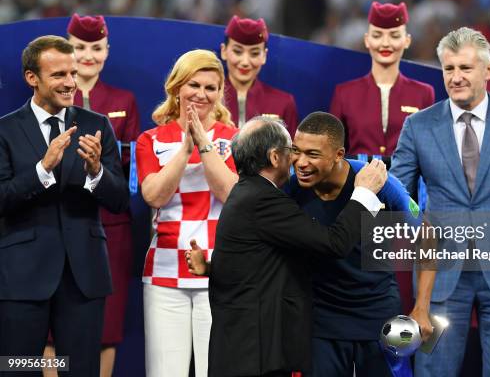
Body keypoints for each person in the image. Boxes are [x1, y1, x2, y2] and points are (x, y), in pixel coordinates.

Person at [390, 27, 490, 376]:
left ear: (488, 70)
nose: (456, 77)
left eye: (465, 68)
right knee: (433, 372)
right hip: (439, 280)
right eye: (449, 69)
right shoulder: (418, 126)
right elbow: (398, 197)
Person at [186, 116, 388, 376]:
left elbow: (256, 262)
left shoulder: (247, 193)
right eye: (292, 150)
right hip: (255, 355)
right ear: (274, 157)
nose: (298, 160)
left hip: (245, 350)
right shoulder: (265, 200)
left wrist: (212, 267)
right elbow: (334, 243)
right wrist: (364, 193)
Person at [0, 35, 129, 376]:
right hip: (22, 277)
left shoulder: (96, 125)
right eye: (59, 75)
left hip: (83, 275)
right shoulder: (5, 131)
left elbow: (119, 201)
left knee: (80, 370)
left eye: (72, 73)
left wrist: (96, 172)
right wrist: (42, 169)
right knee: (18, 368)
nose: (71, 82)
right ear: (32, 78)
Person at [286, 111, 435, 376]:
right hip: (321, 320)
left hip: (378, 315)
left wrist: (422, 307)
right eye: (296, 151)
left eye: (313, 154)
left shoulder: (379, 183)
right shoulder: (290, 186)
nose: (301, 162)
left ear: (339, 155)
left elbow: (428, 237)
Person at [44, 12, 141, 377]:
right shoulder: (46, 95)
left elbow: (128, 170)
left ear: (107, 51)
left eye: (95, 47)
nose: (87, 55)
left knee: (106, 329)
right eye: (79, 47)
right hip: (56, 222)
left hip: (110, 228)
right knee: (49, 327)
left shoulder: (124, 100)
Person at [135, 49, 238, 377]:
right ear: (177, 87)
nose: (202, 94)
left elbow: (232, 195)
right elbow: (154, 196)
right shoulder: (150, 139)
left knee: (218, 371)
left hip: (220, 274)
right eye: (194, 84)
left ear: (221, 93)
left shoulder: (234, 139)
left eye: (211, 87)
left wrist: (204, 145)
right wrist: (184, 151)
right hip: (164, 273)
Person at [329, 1, 435, 158]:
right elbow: (332, 153)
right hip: (357, 180)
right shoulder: (344, 94)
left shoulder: (423, 93)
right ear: (367, 40)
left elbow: (429, 152)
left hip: (405, 182)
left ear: (407, 41)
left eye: (394, 35)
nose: (385, 43)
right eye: (377, 35)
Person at [221, 15, 299, 135]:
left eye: (254, 53)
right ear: (224, 51)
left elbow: (291, 151)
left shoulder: (283, 103)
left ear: (264, 55)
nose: (245, 62)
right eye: (237, 51)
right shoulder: (209, 99)